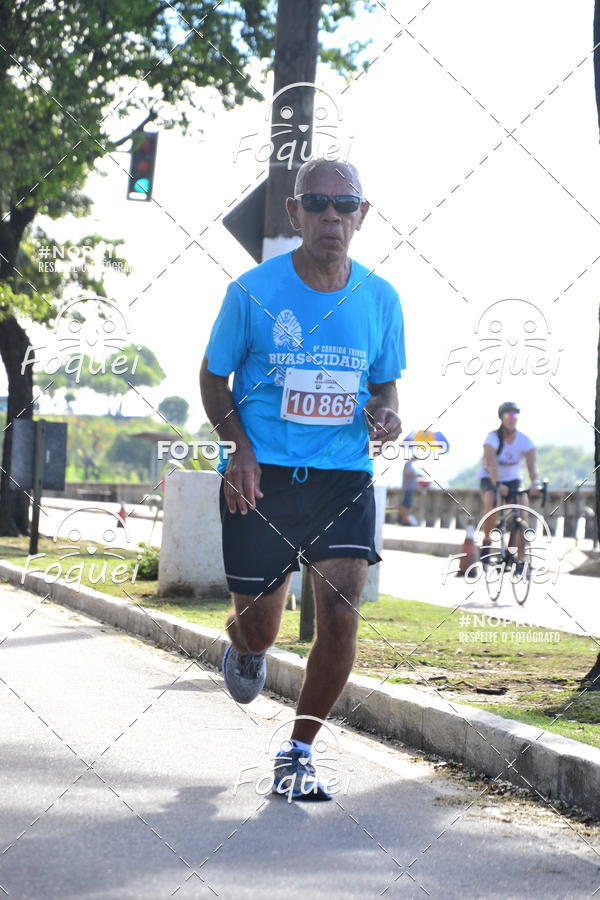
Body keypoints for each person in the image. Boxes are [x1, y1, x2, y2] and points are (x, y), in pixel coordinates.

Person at [200, 158, 406, 801]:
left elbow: (384, 385)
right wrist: (240, 449)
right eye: (316, 203)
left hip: (343, 476)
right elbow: (213, 379)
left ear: (362, 217)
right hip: (262, 476)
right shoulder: (253, 292)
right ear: (294, 214)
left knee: (341, 612)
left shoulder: (380, 298)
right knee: (260, 626)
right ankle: (248, 646)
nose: (331, 217)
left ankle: (298, 752)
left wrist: (385, 415)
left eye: (345, 206)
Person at [477, 401, 542, 573]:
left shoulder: (525, 440)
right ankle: (487, 542)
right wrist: (498, 484)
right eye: (508, 415)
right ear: (502, 418)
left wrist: (535, 483)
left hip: (514, 479)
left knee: (522, 513)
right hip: (491, 477)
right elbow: (490, 463)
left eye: (514, 415)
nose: (511, 419)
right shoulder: (492, 438)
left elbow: (532, 466)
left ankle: (520, 559)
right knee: (493, 504)